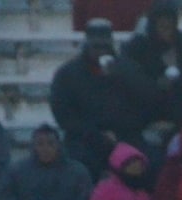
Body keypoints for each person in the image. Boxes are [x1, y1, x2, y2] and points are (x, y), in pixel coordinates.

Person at [53, 18, 153, 176]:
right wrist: (95, 134)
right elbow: (64, 115)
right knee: (76, 165)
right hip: (84, 139)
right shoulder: (68, 74)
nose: (100, 51)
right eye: (96, 46)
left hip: (124, 136)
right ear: (87, 44)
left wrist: (120, 131)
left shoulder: (129, 70)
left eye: (104, 46)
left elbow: (145, 103)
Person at [117, 0, 182, 127]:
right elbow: (131, 79)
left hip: (181, 110)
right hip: (147, 111)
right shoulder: (138, 47)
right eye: (161, 24)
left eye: (169, 23)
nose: (166, 28)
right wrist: (156, 85)